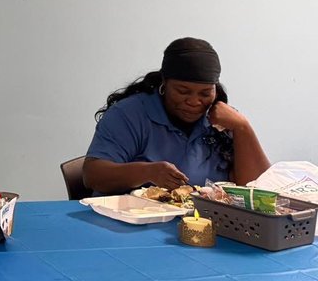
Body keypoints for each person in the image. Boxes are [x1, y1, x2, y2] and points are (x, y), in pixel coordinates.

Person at [83, 37, 269, 194]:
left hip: (198, 225)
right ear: (164, 83)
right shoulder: (130, 114)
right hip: (128, 227)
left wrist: (243, 128)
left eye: (205, 93)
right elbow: (93, 175)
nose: (194, 101)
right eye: (183, 91)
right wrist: (147, 172)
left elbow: (259, 191)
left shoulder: (222, 121)